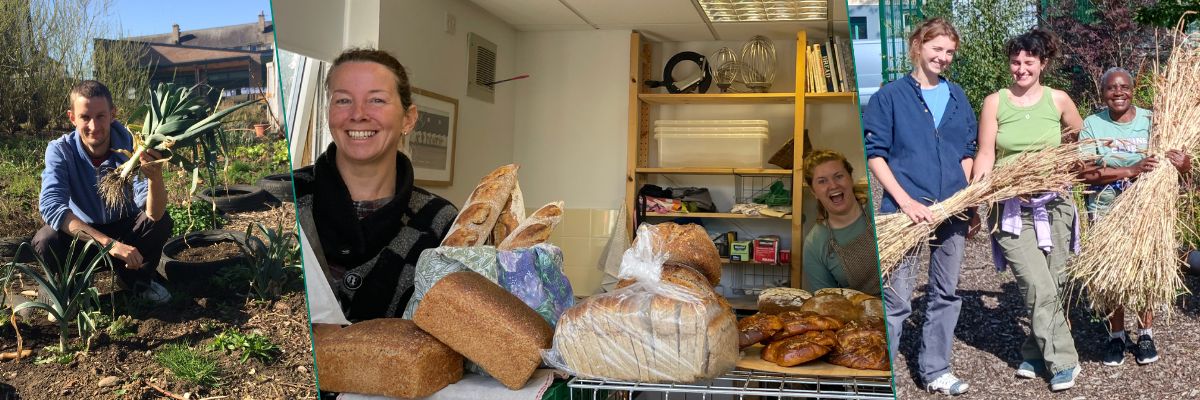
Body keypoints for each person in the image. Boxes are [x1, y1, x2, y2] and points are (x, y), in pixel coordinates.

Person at [294, 48, 458, 323]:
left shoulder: (441, 224)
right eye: (344, 100)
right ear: (328, 113)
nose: (358, 114)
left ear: (409, 118)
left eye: (377, 100)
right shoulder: (287, 197)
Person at [863, 18, 977, 395]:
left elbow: (966, 152)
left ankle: (935, 370)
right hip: (904, 211)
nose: (942, 58)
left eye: (949, 52)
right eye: (937, 49)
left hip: (952, 212)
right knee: (896, 297)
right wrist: (906, 201)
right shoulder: (890, 97)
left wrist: (967, 200)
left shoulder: (959, 96)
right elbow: (876, 155)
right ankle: (882, 374)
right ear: (917, 45)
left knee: (945, 293)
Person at [972, 28, 1084, 392]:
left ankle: (1034, 352)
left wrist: (1061, 169)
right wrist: (977, 195)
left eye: (1029, 62)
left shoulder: (1058, 101)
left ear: (1043, 64)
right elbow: (987, 152)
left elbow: (1077, 139)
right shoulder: (995, 102)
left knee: (1055, 282)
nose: (1020, 69)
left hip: (1055, 204)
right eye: (1016, 62)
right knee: (1036, 284)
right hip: (1010, 209)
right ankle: (1064, 361)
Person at [1077, 67, 1193, 367]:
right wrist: (1130, 170)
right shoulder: (1092, 124)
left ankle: (1145, 333)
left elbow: (1177, 167)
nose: (1118, 93)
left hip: (1149, 210)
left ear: (1133, 89)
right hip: (1106, 208)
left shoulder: (1154, 120)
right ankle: (1116, 335)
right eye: (1111, 88)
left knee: (1145, 269)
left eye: (1124, 87)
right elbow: (1085, 172)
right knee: (1112, 274)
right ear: (1102, 93)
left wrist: (1184, 165)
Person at [34, 80, 173, 304]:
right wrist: (109, 245)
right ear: (72, 117)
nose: (93, 126)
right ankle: (71, 284)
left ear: (113, 114)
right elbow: (51, 206)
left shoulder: (134, 147)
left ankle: (137, 280)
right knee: (46, 239)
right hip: (83, 235)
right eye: (85, 117)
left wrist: (155, 179)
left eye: (100, 116)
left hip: (126, 230)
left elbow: (154, 215)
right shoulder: (60, 150)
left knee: (162, 222)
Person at [802, 150, 880, 295]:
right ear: (813, 192)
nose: (833, 185)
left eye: (838, 176)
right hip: (864, 315)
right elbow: (827, 303)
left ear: (850, 178)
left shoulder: (878, 207)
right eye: (822, 181)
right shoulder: (815, 244)